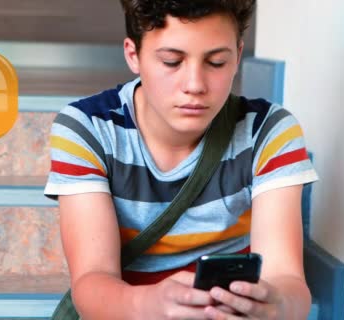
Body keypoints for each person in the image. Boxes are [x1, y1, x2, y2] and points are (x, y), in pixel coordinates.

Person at [44, 0, 318, 319]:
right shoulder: (88, 128)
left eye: (216, 62)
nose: (195, 86)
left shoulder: (268, 131)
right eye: (172, 62)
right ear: (133, 55)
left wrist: (277, 306)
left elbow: (288, 280)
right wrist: (150, 305)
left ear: (238, 56)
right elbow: (91, 283)